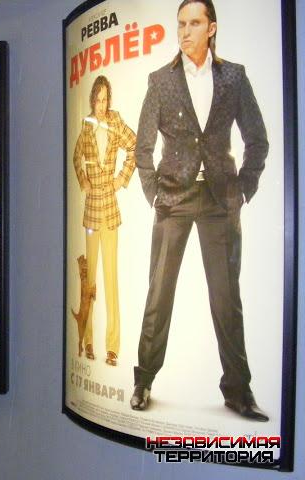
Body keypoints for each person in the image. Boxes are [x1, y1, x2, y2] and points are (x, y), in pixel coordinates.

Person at [130, 0, 269, 421]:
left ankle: (238, 390)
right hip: (173, 199)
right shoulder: (161, 81)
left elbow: (257, 139)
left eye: (194, 23)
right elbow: (142, 148)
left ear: (212, 28)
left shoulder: (234, 77)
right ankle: (143, 380)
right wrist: (154, 193)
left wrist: (243, 190)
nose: (185, 31)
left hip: (220, 200)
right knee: (159, 294)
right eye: (181, 24)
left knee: (227, 298)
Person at [72, 75, 137, 367]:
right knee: (89, 281)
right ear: (92, 101)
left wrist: (122, 178)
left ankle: (112, 347)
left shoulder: (115, 121)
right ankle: (87, 340)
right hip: (90, 213)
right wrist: (83, 179)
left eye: (105, 99)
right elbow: (77, 157)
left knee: (111, 280)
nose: (102, 104)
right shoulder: (86, 125)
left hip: (109, 209)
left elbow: (135, 146)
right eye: (98, 99)